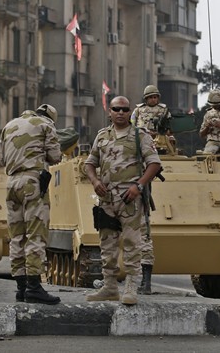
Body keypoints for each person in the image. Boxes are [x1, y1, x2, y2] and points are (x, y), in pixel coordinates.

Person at [85, 96, 161, 305]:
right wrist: (94, 181)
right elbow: (90, 163)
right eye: (116, 109)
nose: (120, 113)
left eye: (125, 109)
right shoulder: (102, 136)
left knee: (131, 243)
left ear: (130, 113)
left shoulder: (139, 136)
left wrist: (139, 185)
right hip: (106, 198)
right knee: (107, 244)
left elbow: (154, 164)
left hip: (130, 198)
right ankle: (109, 286)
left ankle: (130, 287)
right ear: (109, 111)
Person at [0, 103, 62, 304]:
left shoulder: (9, 125)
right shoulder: (46, 124)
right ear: (51, 117)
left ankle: (21, 287)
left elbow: (2, 159)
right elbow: (55, 156)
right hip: (33, 182)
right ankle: (34, 287)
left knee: (17, 236)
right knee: (35, 234)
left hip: (11, 184)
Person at [130, 85, 170, 294]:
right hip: (119, 197)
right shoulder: (112, 138)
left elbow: (154, 164)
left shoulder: (162, 112)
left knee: (144, 237)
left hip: (138, 194)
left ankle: (144, 282)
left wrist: (141, 183)